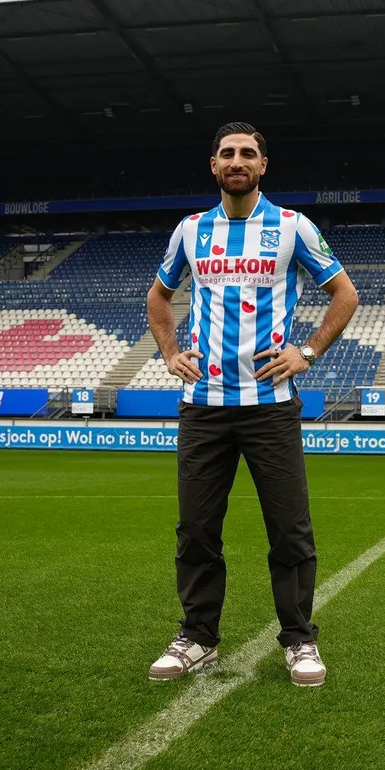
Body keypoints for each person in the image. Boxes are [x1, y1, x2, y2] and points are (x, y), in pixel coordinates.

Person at [145, 121, 358, 688]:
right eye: (226, 154)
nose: (236, 161)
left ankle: (299, 641)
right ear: (213, 166)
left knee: (289, 529)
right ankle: (197, 637)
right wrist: (170, 352)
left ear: (263, 165)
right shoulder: (191, 231)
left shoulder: (292, 227)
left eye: (247, 153)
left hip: (270, 405)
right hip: (204, 406)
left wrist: (307, 351)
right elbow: (158, 297)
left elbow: (345, 292)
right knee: (195, 529)